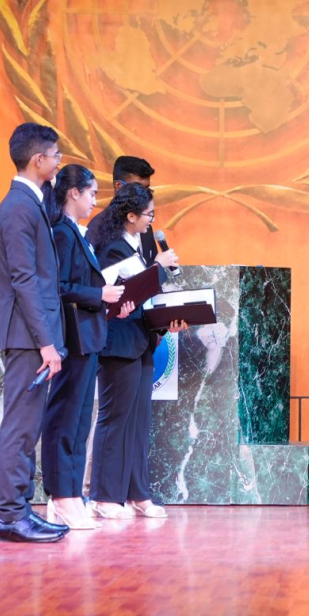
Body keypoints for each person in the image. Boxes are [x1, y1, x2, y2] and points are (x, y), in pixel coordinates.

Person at [86, 183, 185, 519]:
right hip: (117, 343)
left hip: (141, 340)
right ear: (130, 216)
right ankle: (105, 496)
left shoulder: (138, 246)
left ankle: (137, 494)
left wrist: (167, 319)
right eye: (148, 215)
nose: (151, 221)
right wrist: (156, 266)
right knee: (115, 419)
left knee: (139, 421)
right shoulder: (111, 248)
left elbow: (144, 295)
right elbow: (111, 291)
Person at [42, 164, 133, 530]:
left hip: (89, 336)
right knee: (65, 420)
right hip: (73, 339)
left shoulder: (77, 233)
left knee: (80, 422)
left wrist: (110, 304)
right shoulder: (62, 233)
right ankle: (60, 495)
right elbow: (59, 288)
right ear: (74, 193)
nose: (96, 201)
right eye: (92, 193)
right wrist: (100, 294)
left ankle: (71, 495)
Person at [0, 123, 69, 543]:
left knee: (27, 428)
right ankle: (11, 516)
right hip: (27, 338)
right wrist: (46, 343)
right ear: (38, 160)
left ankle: (21, 509)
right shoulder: (19, 207)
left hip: (31, 336)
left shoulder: (30, 201)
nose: (58, 162)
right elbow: (24, 280)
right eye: (55, 156)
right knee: (20, 428)